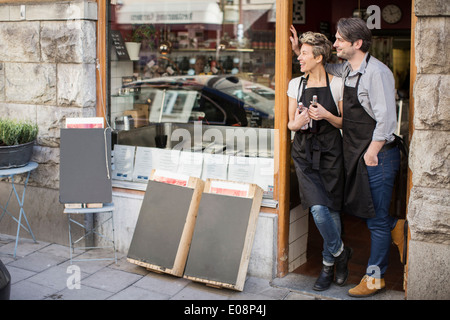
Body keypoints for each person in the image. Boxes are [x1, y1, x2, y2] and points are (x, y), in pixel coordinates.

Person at [324, 17, 405, 297]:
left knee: (376, 221)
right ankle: (397, 226)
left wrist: (371, 153)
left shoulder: (377, 73)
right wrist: (300, 51)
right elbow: (324, 65)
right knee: (371, 216)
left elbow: (386, 120)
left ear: (357, 43)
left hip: (377, 156)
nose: (335, 44)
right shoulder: (347, 68)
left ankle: (375, 278)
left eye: (339, 40)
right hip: (359, 154)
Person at [287, 31, 352, 291]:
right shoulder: (295, 84)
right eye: (300, 52)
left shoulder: (337, 84)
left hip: (331, 152)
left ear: (319, 57)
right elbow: (290, 124)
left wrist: (325, 114)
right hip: (304, 152)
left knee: (332, 208)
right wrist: (299, 122)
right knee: (317, 208)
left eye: (304, 53)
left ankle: (328, 265)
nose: (299, 57)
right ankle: (341, 253)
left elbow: (345, 123)